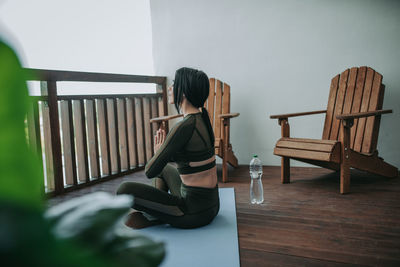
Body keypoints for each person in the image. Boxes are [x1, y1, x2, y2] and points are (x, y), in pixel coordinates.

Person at [116, 67, 219, 229]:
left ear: (183, 92)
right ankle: (161, 213)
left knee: (124, 189)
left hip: (192, 213)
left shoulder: (184, 126)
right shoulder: (202, 119)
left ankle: (156, 214)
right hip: (212, 205)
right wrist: (165, 153)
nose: (170, 89)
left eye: (174, 84)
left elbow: (150, 172)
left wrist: (159, 152)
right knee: (164, 170)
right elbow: (191, 158)